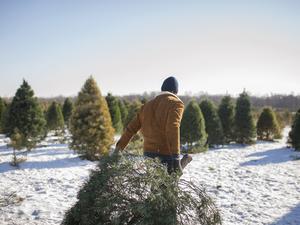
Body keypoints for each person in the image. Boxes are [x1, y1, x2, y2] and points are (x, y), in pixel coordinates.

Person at [116, 76, 191, 174]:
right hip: (166, 154)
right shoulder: (176, 103)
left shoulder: (147, 106)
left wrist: (118, 150)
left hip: (148, 154)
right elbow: (173, 128)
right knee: (165, 187)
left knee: (155, 187)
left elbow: (130, 129)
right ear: (175, 91)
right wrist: (176, 157)